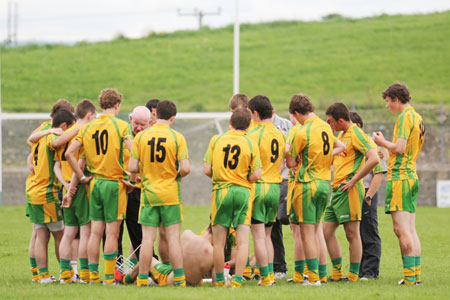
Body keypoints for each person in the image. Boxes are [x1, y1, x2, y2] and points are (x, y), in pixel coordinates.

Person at [65, 88, 134, 285]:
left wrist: (81, 177)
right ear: (117, 105)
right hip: (114, 183)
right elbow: (134, 151)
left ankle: (93, 276)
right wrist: (134, 179)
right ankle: (109, 277)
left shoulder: (88, 127)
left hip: (94, 183)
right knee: (112, 233)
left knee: (96, 232)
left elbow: (70, 153)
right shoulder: (121, 126)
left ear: (101, 105)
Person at [128, 100, 190, 287]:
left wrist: (145, 170)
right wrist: (175, 176)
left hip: (148, 193)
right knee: (173, 237)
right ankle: (179, 278)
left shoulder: (141, 137)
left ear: (154, 115)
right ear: (172, 118)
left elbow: (132, 167)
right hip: (170, 193)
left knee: (147, 239)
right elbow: (186, 168)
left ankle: (141, 278)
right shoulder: (177, 137)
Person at [286, 94, 345, 286]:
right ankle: (320, 274)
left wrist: (296, 158)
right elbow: (338, 147)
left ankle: (311, 279)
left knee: (306, 232)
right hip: (324, 184)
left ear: (296, 113)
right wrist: (323, 158)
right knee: (317, 228)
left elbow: (291, 162)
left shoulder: (301, 132)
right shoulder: (326, 127)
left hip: (307, 184)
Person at [372, 83, 425, 285]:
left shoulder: (405, 117)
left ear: (396, 98)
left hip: (401, 177)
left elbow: (400, 148)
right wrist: (386, 151)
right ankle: (415, 275)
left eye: (387, 101)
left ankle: (410, 278)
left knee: (401, 229)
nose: (387, 106)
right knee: (410, 229)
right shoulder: (417, 117)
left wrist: (382, 142)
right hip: (411, 174)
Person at [204, 108, 262, 288]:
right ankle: (237, 280)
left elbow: (206, 169)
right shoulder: (251, 142)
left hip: (222, 191)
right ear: (248, 125)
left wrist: (222, 175)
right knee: (243, 240)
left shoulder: (217, 139)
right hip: (243, 192)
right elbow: (257, 174)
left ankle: (220, 280)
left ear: (230, 122)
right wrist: (244, 179)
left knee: (219, 242)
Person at [324, 102, 379, 282]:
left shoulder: (356, 134)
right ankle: (338, 271)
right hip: (337, 190)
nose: (330, 125)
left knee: (352, 233)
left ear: (340, 120)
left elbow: (374, 158)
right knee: (326, 231)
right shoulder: (342, 135)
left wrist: (354, 180)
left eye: (331, 122)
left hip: (350, 190)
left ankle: (353, 275)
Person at [26, 99, 75, 282]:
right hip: (47, 192)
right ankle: (66, 273)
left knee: (40, 235)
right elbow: (59, 145)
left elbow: (30, 139)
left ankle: (42, 275)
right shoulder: (53, 139)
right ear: (63, 124)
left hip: (33, 190)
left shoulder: (40, 135)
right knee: (60, 235)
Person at [53, 99, 97, 284]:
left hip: (66, 186)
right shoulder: (83, 133)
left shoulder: (64, 135)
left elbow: (57, 165)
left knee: (69, 231)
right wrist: (73, 187)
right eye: (94, 118)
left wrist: (65, 184)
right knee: (86, 231)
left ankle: (65, 273)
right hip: (78, 187)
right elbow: (81, 163)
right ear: (88, 116)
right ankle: (84, 274)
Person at [247, 95, 286, 286]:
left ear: (254, 113)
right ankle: (270, 274)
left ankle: (265, 278)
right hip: (275, 187)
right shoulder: (279, 133)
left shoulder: (253, 133)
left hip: (258, 187)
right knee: (268, 234)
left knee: (258, 236)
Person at [349, 112, 386, 280]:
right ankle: (360, 269)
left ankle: (370, 271)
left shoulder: (370, 145)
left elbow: (379, 172)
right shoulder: (352, 145)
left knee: (369, 230)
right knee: (356, 232)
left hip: (366, 192)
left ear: (357, 127)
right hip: (355, 192)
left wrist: (369, 195)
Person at [118, 226, 215, 286]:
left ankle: (126, 279)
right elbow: (216, 280)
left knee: (149, 260)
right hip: (195, 283)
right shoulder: (213, 253)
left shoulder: (187, 234)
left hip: (171, 279)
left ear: (207, 228)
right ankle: (141, 278)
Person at [117, 106, 152, 266]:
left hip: (138, 191)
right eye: (136, 123)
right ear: (130, 119)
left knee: (138, 234)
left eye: (142, 125)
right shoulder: (122, 135)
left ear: (149, 123)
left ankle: (150, 268)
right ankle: (117, 271)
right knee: (114, 233)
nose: (138, 127)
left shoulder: (149, 140)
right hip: (119, 189)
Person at [271, 110, 292, 279]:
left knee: (288, 219)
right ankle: (279, 267)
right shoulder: (255, 127)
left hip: (286, 177)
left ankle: (307, 268)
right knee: (272, 224)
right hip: (270, 180)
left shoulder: (286, 125)